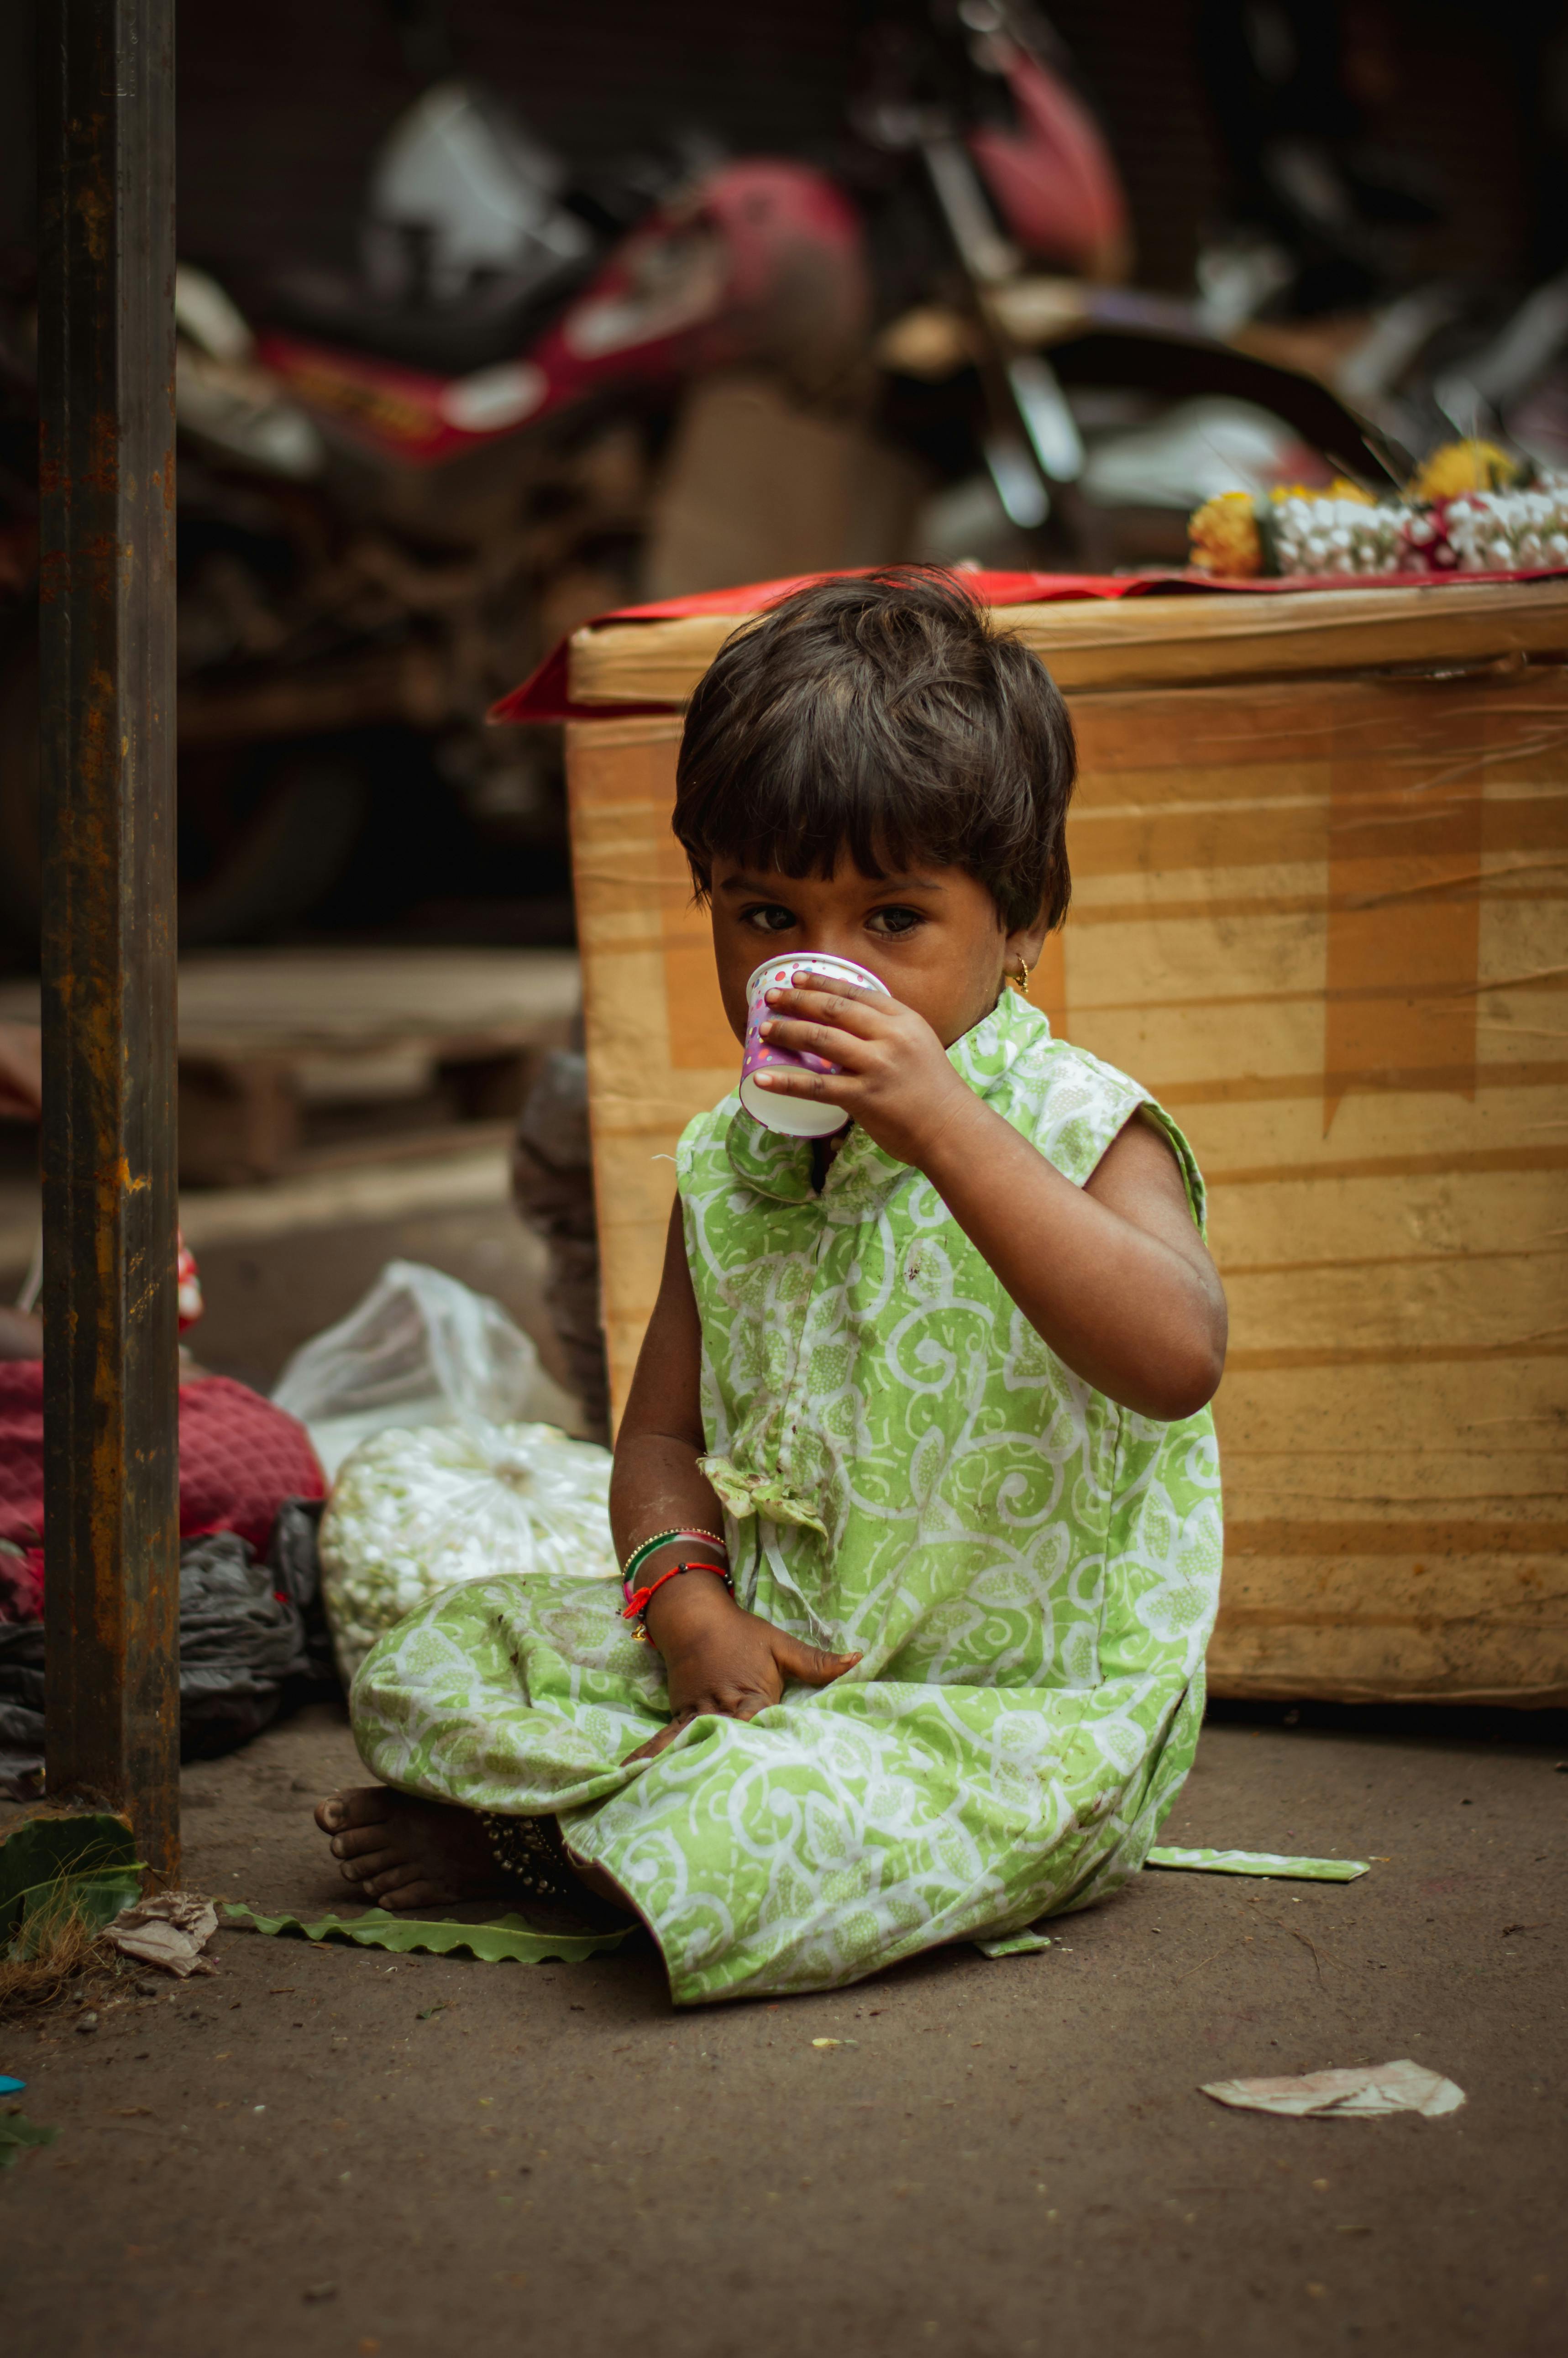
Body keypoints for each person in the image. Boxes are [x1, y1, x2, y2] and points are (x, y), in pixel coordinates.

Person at [316, 569, 1227, 2005]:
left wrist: (943, 1126)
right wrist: (684, 1608)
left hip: (1009, 1723)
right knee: (436, 1660)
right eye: (763, 913)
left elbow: (1175, 1359)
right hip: (778, 1661)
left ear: (1023, 922)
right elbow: (659, 1443)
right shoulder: (727, 1167)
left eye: (890, 921)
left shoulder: (1074, 1125)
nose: (813, 966)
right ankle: (642, 1814)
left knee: (765, 1824)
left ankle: (580, 1847)